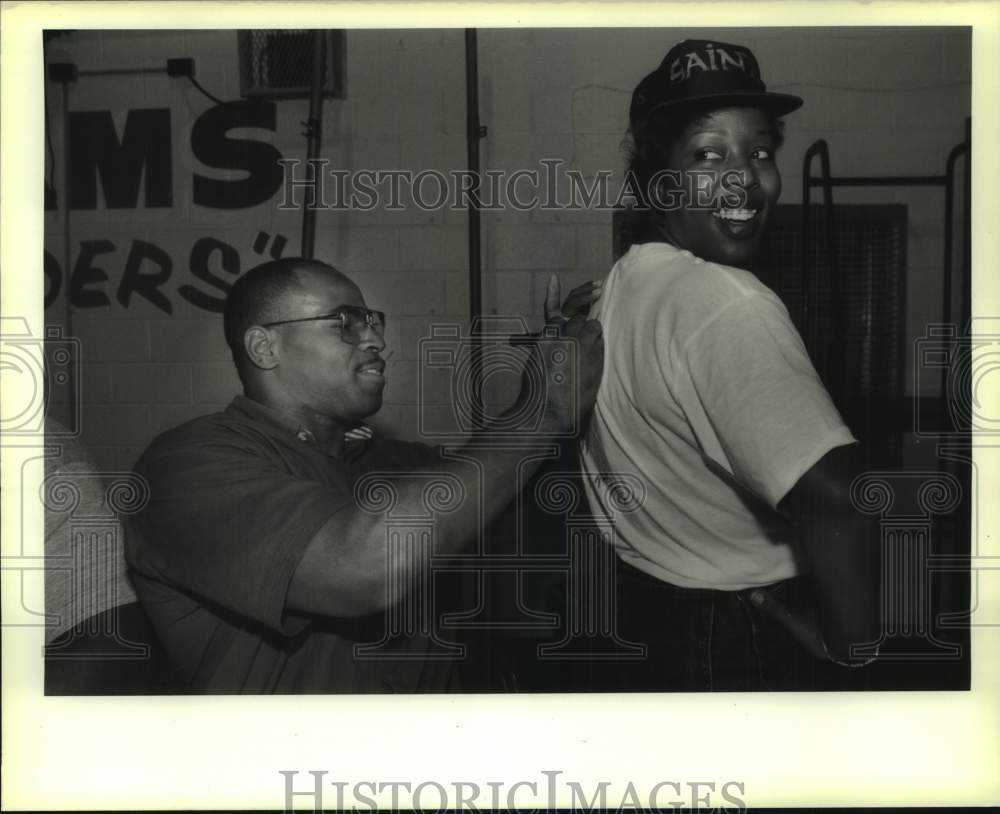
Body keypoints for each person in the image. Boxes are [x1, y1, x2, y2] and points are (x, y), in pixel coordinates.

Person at [123, 257, 603, 693]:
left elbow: (524, 517)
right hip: (290, 781)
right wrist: (542, 411)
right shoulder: (187, 467)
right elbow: (364, 566)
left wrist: (573, 359)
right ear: (264, 346)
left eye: (373, 322)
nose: (376, 339)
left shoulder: (403, 464)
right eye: (346, 323)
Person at [577, 39, 881, 691]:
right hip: (738, 633)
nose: (745, 176)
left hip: (652, 611)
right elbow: (841, 498)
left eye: (761, 152)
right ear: (658, 181)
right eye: (710, 155)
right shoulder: (725, 302)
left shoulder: (622, 284)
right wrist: (857, 649)